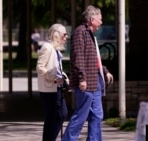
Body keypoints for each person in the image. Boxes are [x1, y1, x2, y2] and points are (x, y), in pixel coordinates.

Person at [62, 5, 114, 141]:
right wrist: (81, 78)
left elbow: (94, 59)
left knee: (97, 115)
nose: (101, 22)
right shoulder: (80, 32)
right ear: (92, 19)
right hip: (86, 82)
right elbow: (78, 57)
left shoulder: (91, 35)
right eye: (100, 19)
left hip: (95, 82)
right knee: (81, 116)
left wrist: (105, 71)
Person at [36, 23, 69, 141]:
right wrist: (54, 78)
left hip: (56, 88)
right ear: (56, 35)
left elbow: (57, 69)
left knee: (60, 115)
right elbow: (40, 67)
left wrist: (65, 78)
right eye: (64, 35)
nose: (66, 37)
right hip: (49, 89)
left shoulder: (55, 49)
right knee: (55, 116)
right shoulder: (47, 47)